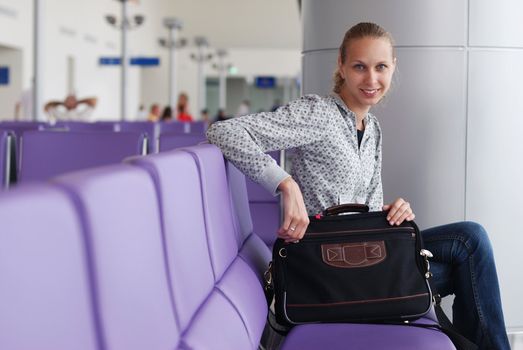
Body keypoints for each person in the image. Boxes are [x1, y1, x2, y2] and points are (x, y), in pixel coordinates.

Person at [207, 22, 510, 350]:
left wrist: (391, 212)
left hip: (362, 258)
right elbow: (223, 132)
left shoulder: (372, 128)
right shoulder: (318, 113)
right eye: (359, 67)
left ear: (393, 67)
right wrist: (285, 183)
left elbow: (368, 212)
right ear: (341, 65)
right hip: (326, 266)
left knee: (468, 250)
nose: (371, 79)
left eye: (381, 67)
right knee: (468, 243)